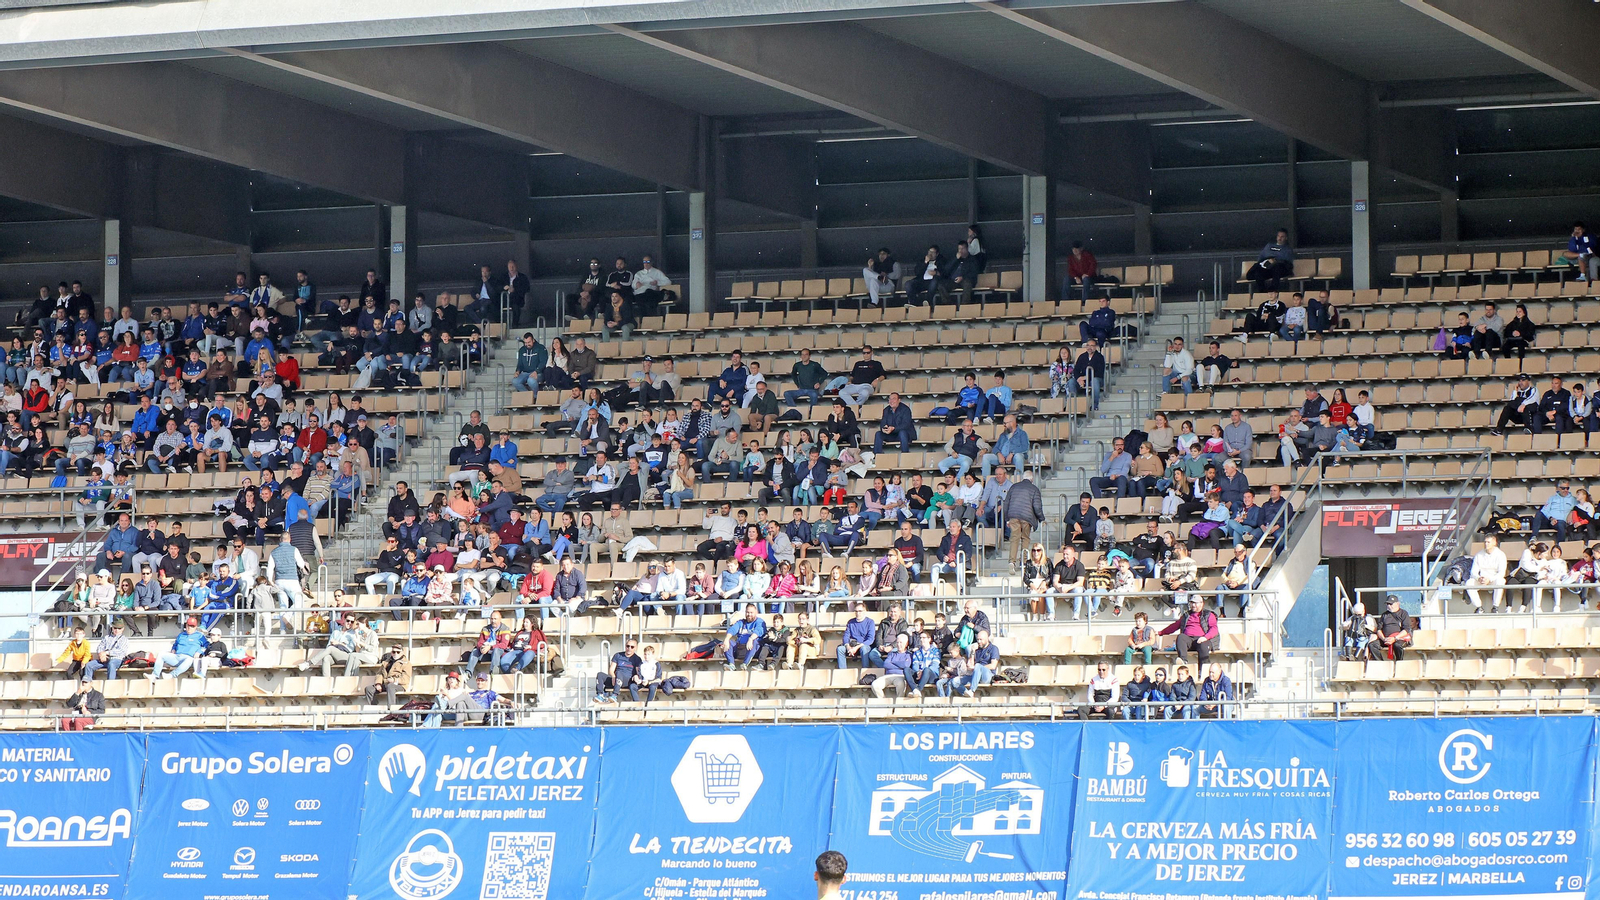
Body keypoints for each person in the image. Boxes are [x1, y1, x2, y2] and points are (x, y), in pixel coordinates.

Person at [1159, 595, 1218, 666]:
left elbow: (1214, 629)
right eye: (1192, 603)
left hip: (1202, 639)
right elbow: (1174, 626)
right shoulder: (1186, 615)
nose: (1193, 605)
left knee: (1203, 644)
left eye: (1196, 603)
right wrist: (1161, 632)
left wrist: (1205, 637)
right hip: (1189, 640)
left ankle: (1203, 669)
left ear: (1202, 603)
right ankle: (1183, 661)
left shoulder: (1209, 614)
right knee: (1181, 637)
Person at [723, 604, 766, 671]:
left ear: (756, 612)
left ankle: (745, 664)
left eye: (751, 612)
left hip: (753, 650)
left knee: (755, 641)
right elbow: (732, 629)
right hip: (740, 648)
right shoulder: (741, 622)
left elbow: (759, 631)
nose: (749, 614)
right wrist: (726, 639)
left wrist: (750, 639)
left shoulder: (760, 621)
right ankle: (731, 665)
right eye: (747, 612)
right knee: (727, 642)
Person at [836, 601, 877, 669]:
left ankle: (865, 670)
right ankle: (842, 671)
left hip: (863, 646)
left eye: (860, 611)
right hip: (852, 646)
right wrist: (848, 647)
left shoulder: (870, 622)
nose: (858, 613)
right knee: (840, 649)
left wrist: (856, 648)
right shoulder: (850, 622)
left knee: (864, 649)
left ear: (865, 611)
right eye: (856, 611)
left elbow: (870, 639)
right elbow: (846, 637)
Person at [1377, 595, 1412, 660]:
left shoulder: (1403, 613)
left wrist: (1395, 638)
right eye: (1387, 604)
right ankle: (1380, 662)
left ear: (1397, 603)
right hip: (1386, 639)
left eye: (1391, 604)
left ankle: (1399, 662)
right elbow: (1379, 629)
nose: (1389, 606)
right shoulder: (1384, 615)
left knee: (1397, 645)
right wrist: (1384, 639)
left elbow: (1406, 629)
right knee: (1372, 645)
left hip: (1399, 638)